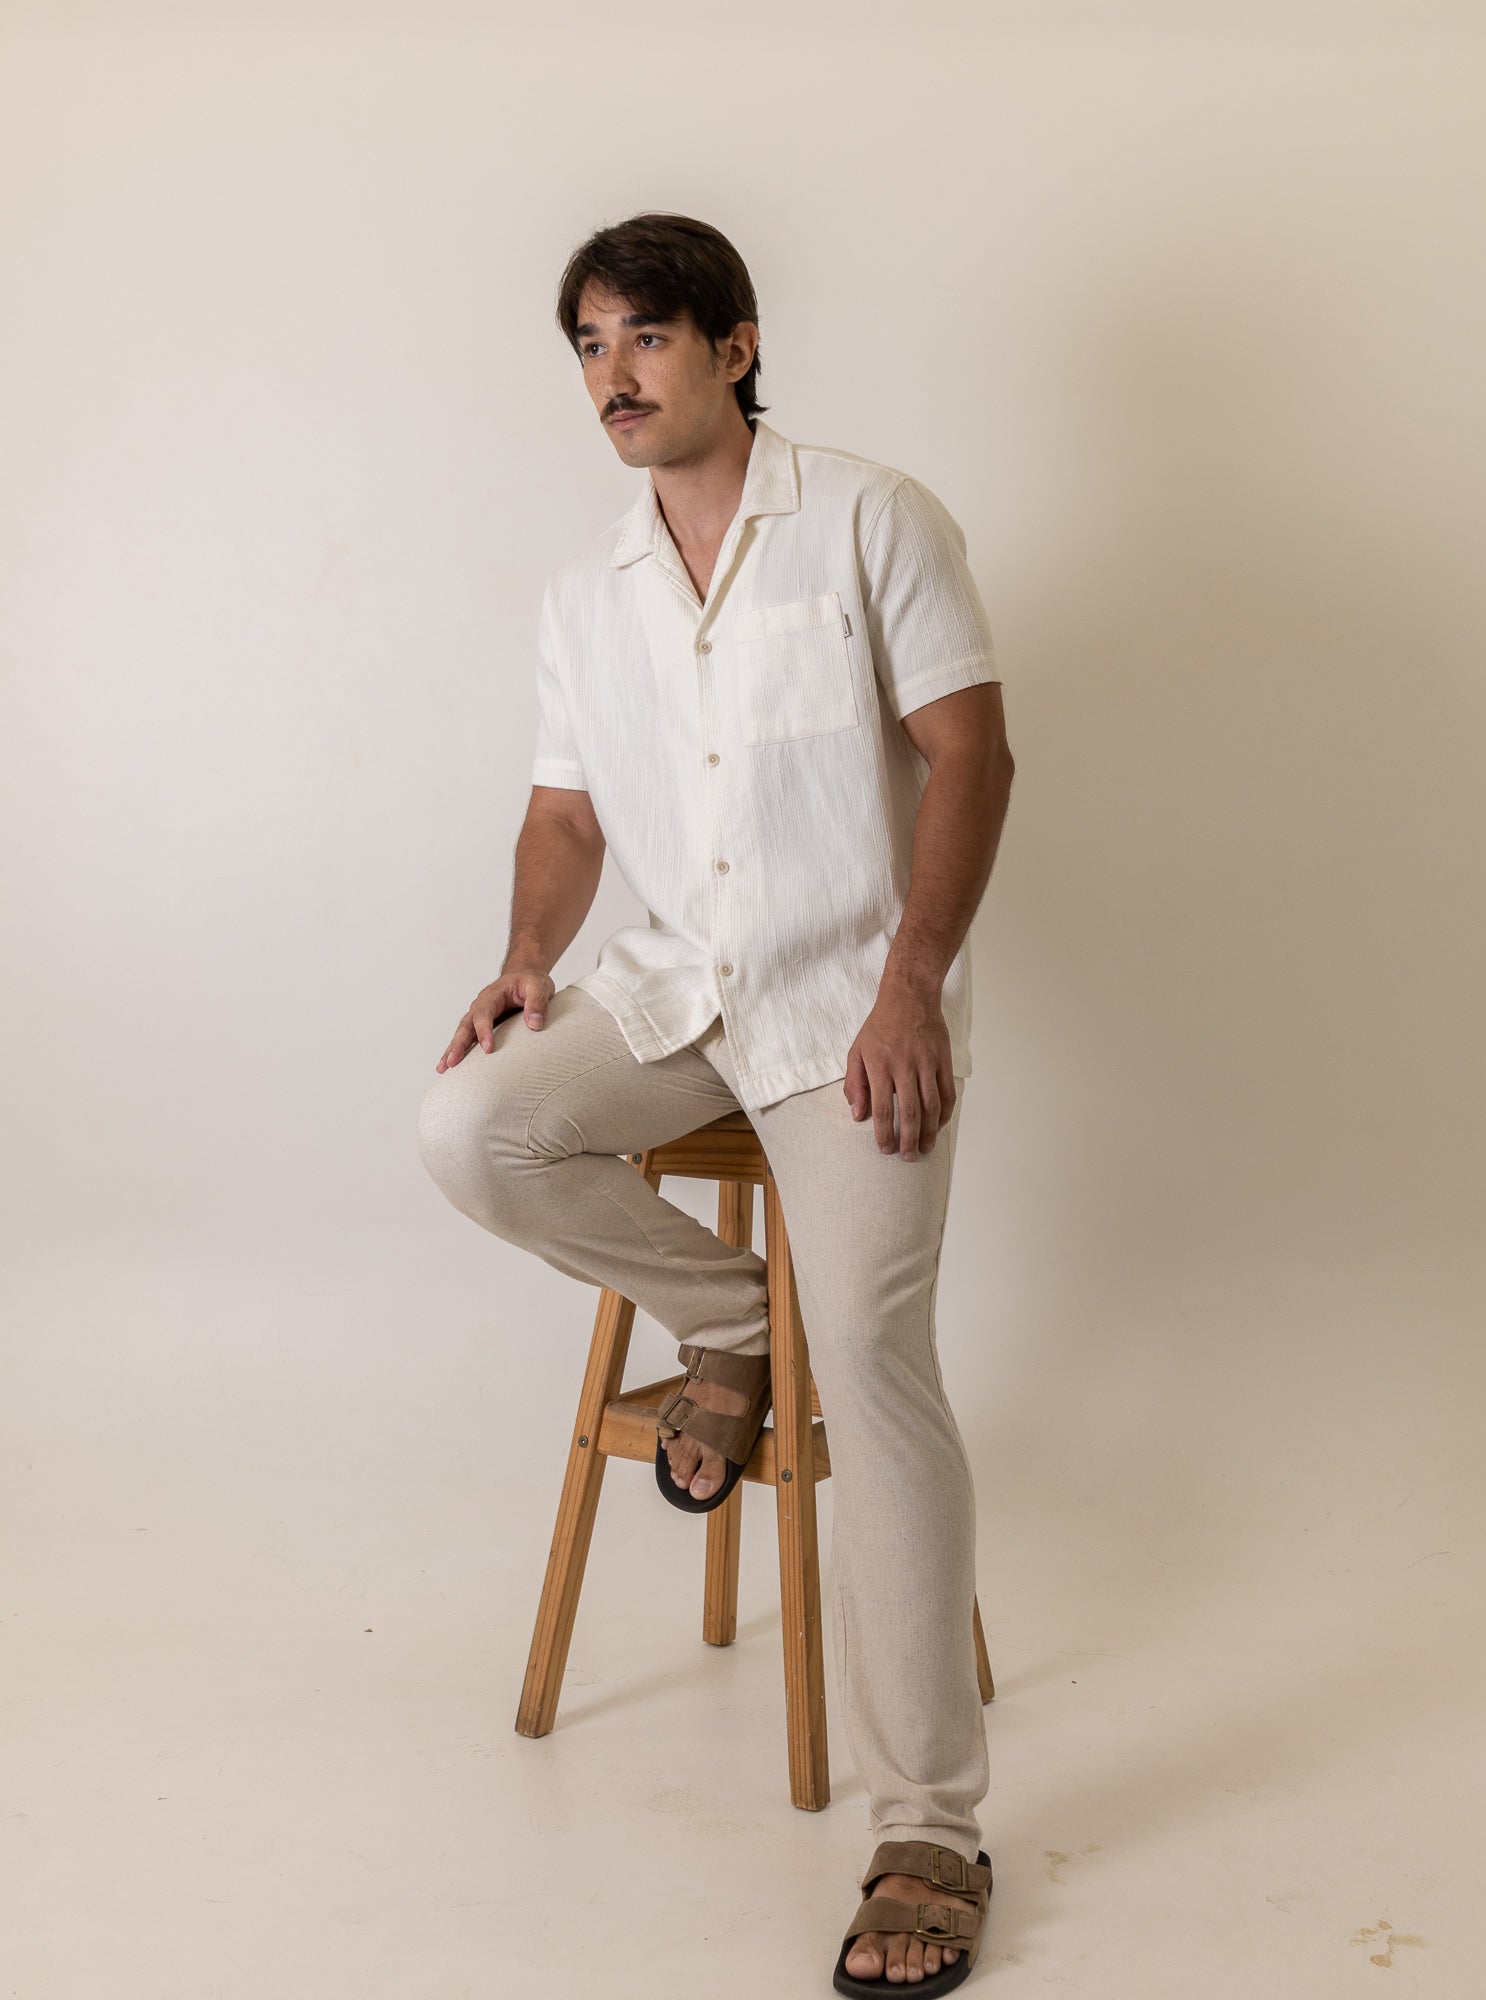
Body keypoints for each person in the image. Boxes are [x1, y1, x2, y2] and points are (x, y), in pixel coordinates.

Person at [417, 211, 1014, 1993]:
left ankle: (932, 1826)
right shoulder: (581, 590)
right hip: (677, 989)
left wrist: (910, 985)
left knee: (884, 1363)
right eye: (589, 345)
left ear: (735, 345)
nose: (614, 374)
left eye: (646, 338)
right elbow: (568, 812)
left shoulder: (869, 518)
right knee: (475, 1126)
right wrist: (531, 956)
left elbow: (971, 753)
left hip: (849, 1009)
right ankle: (737, 1326)